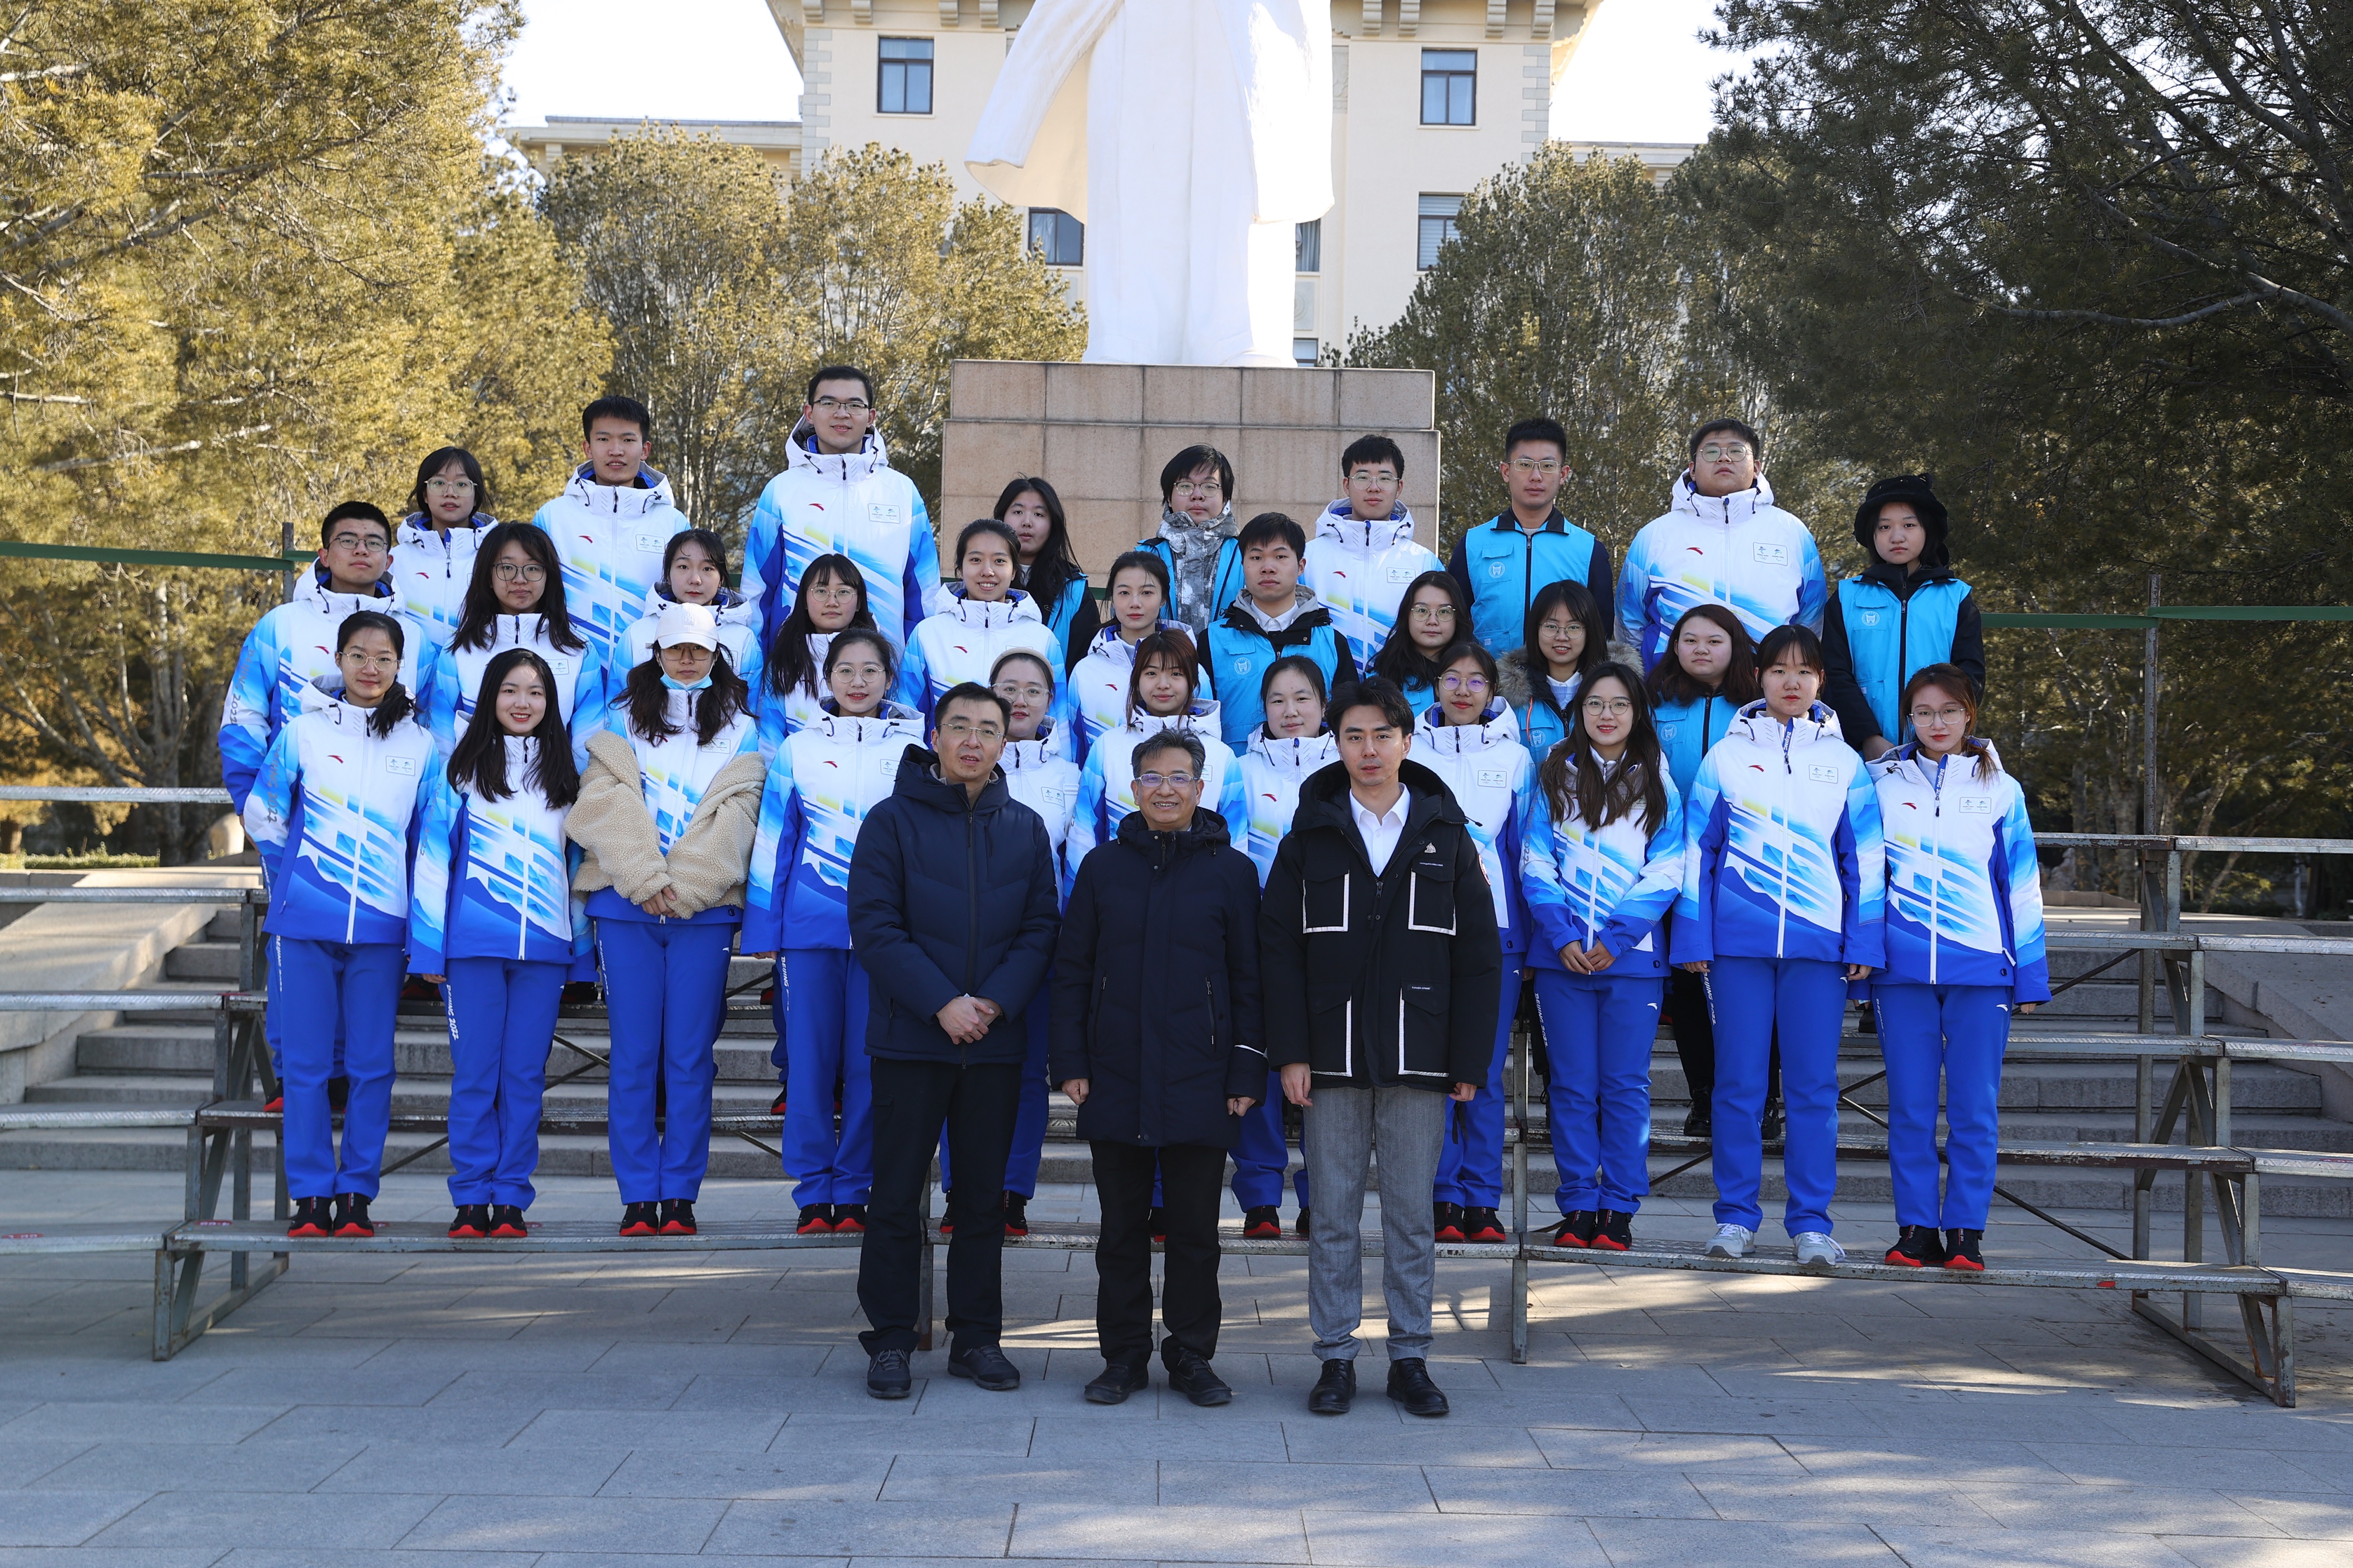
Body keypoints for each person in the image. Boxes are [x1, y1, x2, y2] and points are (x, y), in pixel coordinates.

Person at [1260, 677, 1502, 1420]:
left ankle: (1410, 1357)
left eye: (1382, 735)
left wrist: (1468, 1061)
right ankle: (1334, 1355)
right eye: (1354, 736)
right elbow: (1278, 951)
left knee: (1410, 1215)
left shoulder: (1446, 835)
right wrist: (1290, 1051)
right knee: (1331, 1213)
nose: (1368, 749)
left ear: (1406, 740)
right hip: (1328, 1056)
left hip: (1418, 1055)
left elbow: (1479, 958)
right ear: (1335, 744)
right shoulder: (1307, 837)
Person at [847, 683, 1061, 1400]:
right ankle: (891, 1339)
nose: (974, 741)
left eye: (989, 729)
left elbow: (1041, 927)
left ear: (1006, 742)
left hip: (994, 1044)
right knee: (895, 1194)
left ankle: (977, 1337)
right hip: (911, 1039)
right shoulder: (889, 821)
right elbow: (874, 926)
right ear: (935, 736)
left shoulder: (1025, 828)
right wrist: (942, 1002)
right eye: (960, 726)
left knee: (980, 1199)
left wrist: (991, 1003)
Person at [1053, 729, 1265, 1407]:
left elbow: (1249, 979)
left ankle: (1191, 1354)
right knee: (1120, 1230)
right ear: (1133, 787)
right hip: (1115, 1071)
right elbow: (1073, 969)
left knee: (1195, 1231)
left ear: (1200, 788)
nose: (1165, 789)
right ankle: (1121, 1356)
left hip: (1202, 1074)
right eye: (1152, 777)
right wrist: (1071, 1060)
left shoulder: (1232, 872)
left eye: (1179, 777)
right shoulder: (1102, 867)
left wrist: (1245, 1070)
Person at [1674, 625, 1883, 1268]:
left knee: (1813, 1087)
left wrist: (1863, 938)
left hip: (1818, 950)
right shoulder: (1724, 756)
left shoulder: (1844, 762)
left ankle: (1811, 1223)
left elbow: (1864, 858)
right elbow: (1696, 850)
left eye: (1804, 671)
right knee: (1737, 1085)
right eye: (1777, 670)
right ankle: (1734, 1217)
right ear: (1757, 676)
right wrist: (1693, 933)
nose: (1791, 682)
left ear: (1820, 679)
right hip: (1736, 949)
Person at [221, 503, 437, 1096]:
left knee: (370, 952)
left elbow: (432, 732)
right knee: (298, 952)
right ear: (324, 553)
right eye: (347, 540)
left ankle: (347, 1077)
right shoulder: (280, 625)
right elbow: (243, 717)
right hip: (298, 822)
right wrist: (255, 804)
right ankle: (297, 1079)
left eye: (373, 541)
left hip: (383, 828)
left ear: (391, 558)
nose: (361, 550)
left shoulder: (417, 639)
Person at [567, 602, 765, 1238]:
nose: (685, 657)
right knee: (632, 1055)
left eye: (697, 649)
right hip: (626, 906)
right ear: (654, 652)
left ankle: (678, 1193)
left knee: (688, 1056)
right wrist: (646, 880)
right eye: (674, 647)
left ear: (715, 655)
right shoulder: (618, 719)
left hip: (702, 913)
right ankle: (636, 1195)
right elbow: (602, 803)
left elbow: (740, 814)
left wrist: (687, 887)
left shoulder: (743, 727)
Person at [243, 611, 438, 1240]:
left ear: (400, 665)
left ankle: (355, 1192)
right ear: (339, 658)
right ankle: (309, 1194)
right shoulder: (301, 731)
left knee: (371, 1065)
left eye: (383, 658)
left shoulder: (420, 744)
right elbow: (264, 813)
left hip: (381, 930)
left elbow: (428, 839)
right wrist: (300, 878)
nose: (370, 668)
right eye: (358, 655)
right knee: (304, 1067)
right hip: (305, 926)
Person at [743, 629, 926, 1238]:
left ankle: (853, 1188)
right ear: (827, 678)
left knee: (870, 1065)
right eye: (845, 669)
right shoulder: (798, 747)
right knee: (810, 1063)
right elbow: (774, 839)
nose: (857, 681)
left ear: (888, 679)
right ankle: (812, 1189)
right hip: (808, 930)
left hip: (887, 934)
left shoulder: (914, 748)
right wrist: (765, 924)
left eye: (870, 670)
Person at [1868, 665, 2047, 1271]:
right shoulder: (1879, 783)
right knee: (1909, 1108)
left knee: (1973, 1109)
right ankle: (1915, 1228)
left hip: (1980, 971)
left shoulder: (2000, 787)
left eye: (1947, 710)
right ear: (1908, 717)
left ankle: (1966, 1231)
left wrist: (2029, 973)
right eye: (1922, 711)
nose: (1936, 722)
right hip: (1900, 972)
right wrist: (1863, 957)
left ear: (1968, 713)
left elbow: (2020, 884)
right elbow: (1864, 876)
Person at [409, 649, 589, 1239]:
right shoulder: (459, 774)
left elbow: (577, 871)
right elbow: (432, 862)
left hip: (544, 951)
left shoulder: (567, 779)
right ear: (489, 697)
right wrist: (428, 948)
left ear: (550, 702)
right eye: (510, 690)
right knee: (475, 1075)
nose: (522, 702)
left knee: (524, 1078)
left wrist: (580, 953)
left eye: (535, 692)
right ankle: (470, 1196)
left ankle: (510, 1196)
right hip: (472, 951)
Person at [1520, 664, 1684, 1251]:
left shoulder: (1659, 782)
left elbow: (1668, 869)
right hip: (1560, 960)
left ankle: (1617, 1207)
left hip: (1631, 962)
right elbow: (1534, 860)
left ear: (1637, 712)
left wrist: (1615, 938)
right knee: (1569, 1086)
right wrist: (1562, 934)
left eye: (1619, 704)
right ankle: (1577, 1204)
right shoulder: (1553, 777)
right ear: (1579, 711)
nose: (1606, 714)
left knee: (1623, 1086)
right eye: (1594, 703)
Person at [945, 650, 1082, 1237]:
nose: (1020, 699)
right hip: (964, 946)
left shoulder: (1070, 775)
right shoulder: (960, 768)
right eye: (1008, 688)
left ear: (1051, 702)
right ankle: (960, 1189)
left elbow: (1077, 863)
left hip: (1039, 947)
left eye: (1033, 690)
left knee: (1027, 1075)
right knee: (959, 1072)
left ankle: (1012, 1191)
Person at [1409, 643, 1539, 1247]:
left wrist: (1529, 939)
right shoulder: (1408, 750)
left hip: (1496, 937)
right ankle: (1442, 1194)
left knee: (1482, 1072)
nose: (1462, 690)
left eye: (1476, 681)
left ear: (1492, 689)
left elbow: (1526, 852)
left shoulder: (1515, 758)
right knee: (1433, 1070)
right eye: (1451, 678)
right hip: (1423, 933)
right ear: (1435, 684)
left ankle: (1482, 1198)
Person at [1645, 603, 1765, 1139]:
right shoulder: (1656, 702)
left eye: (1714, 640)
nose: (1700, 649)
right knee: (1691, 988)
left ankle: (1764, 1097)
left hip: (1745, 868)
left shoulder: (1758, 709)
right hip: (1677, 862)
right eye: (1689, 639)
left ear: (1735, 646)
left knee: (1751, 989)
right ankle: (1704, 1095)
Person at [1231, 655, 1335, 1238]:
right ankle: (1260, 1197)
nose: (1290, 711)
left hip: (1330, 942)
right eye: (1277, 700)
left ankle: (1322, 1194)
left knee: (1326, 1074)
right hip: (1258, 939)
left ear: (1323, 705)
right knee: (1260, 1064)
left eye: (1302, 699)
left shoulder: (1346, 771)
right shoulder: (1240, 769)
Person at [741, 365, 940, 651]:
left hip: (880, 667)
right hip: (796, 666)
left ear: (871, 417)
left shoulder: (902, 491)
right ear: (809, 413)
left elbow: (924, 595)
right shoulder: (781, 491)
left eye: (854, 405)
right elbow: (757, 590)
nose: (842, 413)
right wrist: (760, 666)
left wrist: (911, 668)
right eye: (829, 403)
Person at [1617, 417, 1826, 673]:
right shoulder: (1655, 535)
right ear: (1693, 469)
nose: (1724, 458)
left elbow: (1811, 620)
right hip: (1671, 688)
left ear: (1756, 468)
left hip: (1765, 688)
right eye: (1712, 452)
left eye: (1737, 451)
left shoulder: (1793, 533)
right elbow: (1630, 622)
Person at [1822, 474, 1985, 761]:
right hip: (1861, 753)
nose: (1896, 537)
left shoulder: (1955, 597)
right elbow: (1834, 674)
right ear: (1872, 535)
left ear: (1928, 529)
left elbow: (1970, 676)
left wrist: (1939, 737)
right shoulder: (1847, 597)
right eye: (1884, 527)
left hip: (1937, 752)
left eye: (1909, 525)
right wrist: (1868, 737)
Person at [529, 395, 694, 666]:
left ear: (645, 449)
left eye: (628, 440)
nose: (616, 451)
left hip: (649, 669)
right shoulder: (553, 517)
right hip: (568, 667)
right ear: (588, 447)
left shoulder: (672, 522)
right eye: (604, 439)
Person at [425, 522, 606, 769]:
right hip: (477, 788)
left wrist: (573, 789)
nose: (520, 580)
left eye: (533, 569)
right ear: (488, 576)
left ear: (549, 576)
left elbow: (588, 740)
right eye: (507, 568)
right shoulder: (459, 651)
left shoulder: (578, 650)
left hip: (555, 789)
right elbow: (443, 742)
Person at [1068, 628, 1248, 869]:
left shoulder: (1221, 755)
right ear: (1136, 681)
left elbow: (1236, 845)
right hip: (1121, 884)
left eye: (1176, 674)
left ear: (1193, 681)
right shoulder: (1107, 747)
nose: (1163, 685)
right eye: (1151, 673)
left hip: (1200, 886)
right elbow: (1083, 832)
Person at [1446, 418, 1613, 657]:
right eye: (1524, 464)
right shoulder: (1473, 545)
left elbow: (1602, 633)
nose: (1536, 476)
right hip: (1488, 677)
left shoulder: (1588, 551)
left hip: (1564, 679)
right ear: (1506, 471)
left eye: (1548, 466)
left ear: (1563, 474)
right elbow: (1454, 624)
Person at [1203, 511, 1355, 747]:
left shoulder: (1332, 643)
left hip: (1317, 768)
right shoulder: (1212, 641)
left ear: (1301, 566)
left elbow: (1350, 722)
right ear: (1243, 566)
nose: (1268, 567)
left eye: (1280, 556)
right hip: (1237, 768)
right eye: (1256, 558)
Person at [897, 519, 1060, 727]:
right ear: (960, 568)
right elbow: (907, 714)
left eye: (999, 561)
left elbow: (1057, 722)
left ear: (1014, 571)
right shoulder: (928, 633)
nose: (988, 571)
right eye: (976, 560)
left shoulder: (1043, 639)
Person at [1304, 434, 1442, 672]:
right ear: (1346, 485)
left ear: (1399, 487)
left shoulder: (1424, 563)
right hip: (1327, 691)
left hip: (1402, 691)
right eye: (1363, 477)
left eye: (1385, 478)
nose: (1374, 487)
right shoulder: (1308, 558)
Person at [757, 551, 879, 752]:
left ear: (859, 602)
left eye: (843, 592)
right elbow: (771, 740)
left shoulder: (878, 660)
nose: (832, 602)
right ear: (804, 600)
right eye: (821, 591)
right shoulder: (784, 663)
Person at [620, 529, 766, 696]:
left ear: (721, 579)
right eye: (684, 567)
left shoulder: (744, 640)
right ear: (668, 574)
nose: (695, 580)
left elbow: (751, 705)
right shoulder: (636, 634)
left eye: (707, 569)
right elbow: (619, 703)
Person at [1066, 550, 1179, 765]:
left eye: (1147, 593)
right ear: (1113, 598)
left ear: (1164, 599)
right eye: (1125, 593)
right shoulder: (1085, 671)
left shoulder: (1188, 668)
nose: (1135, 603)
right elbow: (1074, 745)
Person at [390, 446, 497, 648]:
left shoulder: (497, 557)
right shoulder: (395, 560)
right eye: (439, 483)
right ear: (425, 494)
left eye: (462, 485)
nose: (450, 493)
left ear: (476, 496)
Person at [1138, 444, 1243, 635]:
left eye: (1209, 487)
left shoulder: (1247, 555)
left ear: (1225, 498)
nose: (1197, 496)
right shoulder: (1144, 556)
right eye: (1185, 486)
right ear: (1169, 498)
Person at [1499, 580, 1609, 764]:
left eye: (1574, 628)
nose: (1562, 637)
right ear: (1535, 629)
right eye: (1551, 626)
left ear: (1590, 631)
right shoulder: (1508, 699)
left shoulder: (1616, 692)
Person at [998, 477, 1099, 666]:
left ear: (1053, 525)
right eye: (1018, 512)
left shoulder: (1074, 592)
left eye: (1039, 514)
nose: (1027, 522)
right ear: (1001, 518)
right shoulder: (983, 580)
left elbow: (1083, 666)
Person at [1367, 571, 1468, 716]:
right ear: (1406, 616)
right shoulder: (1381, 680)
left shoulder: (1477, 677)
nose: (1432, 621)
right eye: (1422, 610)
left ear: (1457, 617)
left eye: (1444, 612)